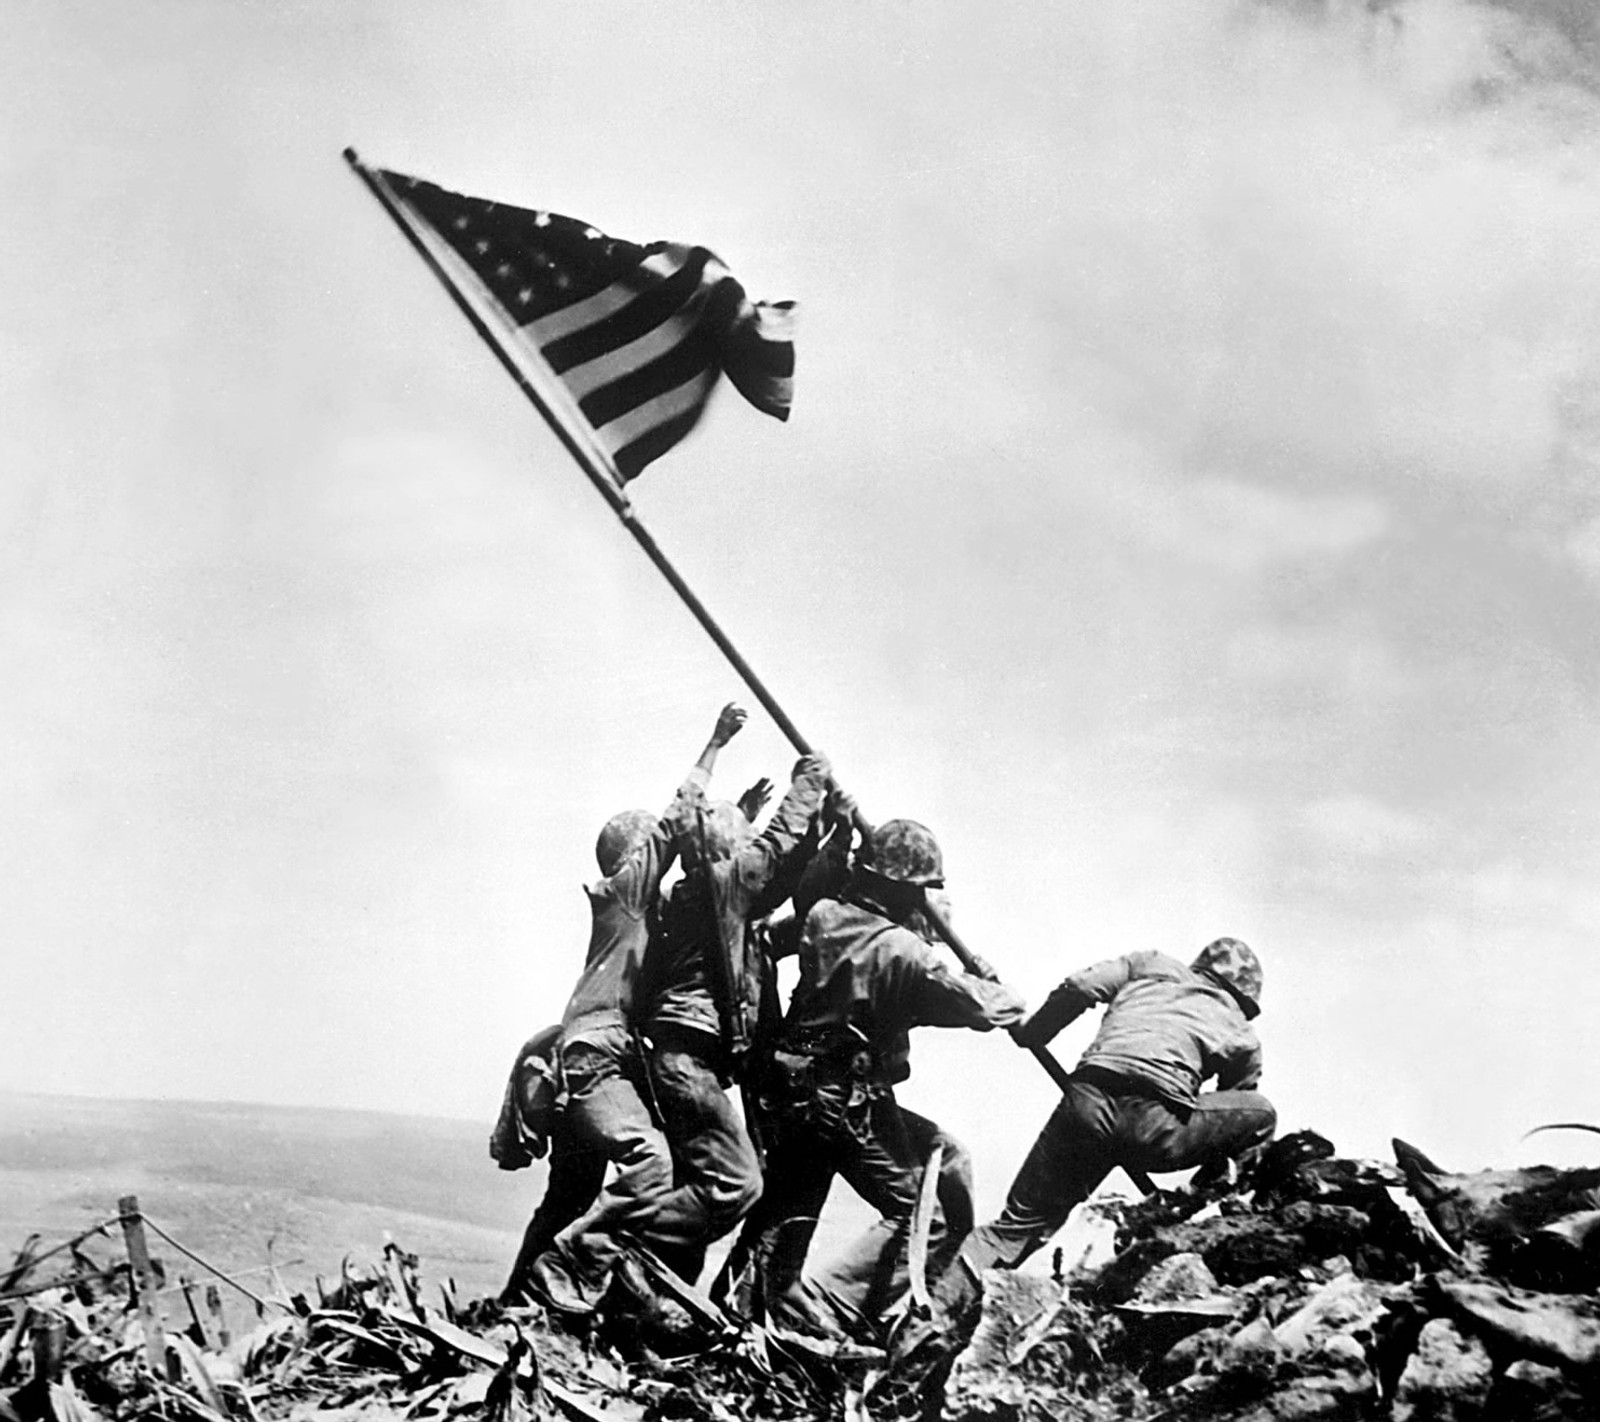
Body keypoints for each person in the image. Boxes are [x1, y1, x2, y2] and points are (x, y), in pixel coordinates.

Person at [727, 818, 1027, 1341]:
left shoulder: (824, 916)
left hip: (791, 1085)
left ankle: (748, 1304)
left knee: (798, 1205)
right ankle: (832, 1311)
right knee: (923, 1215)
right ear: (903, 889)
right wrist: (997, 986)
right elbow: (982, 1009)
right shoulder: (906, 954)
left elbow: (770, 941)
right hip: (843, 1102)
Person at [524, 704, 745, 1316]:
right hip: (598, 1054)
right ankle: (574, 1270)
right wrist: (714, 745)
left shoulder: (641, 914)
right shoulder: (623, 895)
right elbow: (676, 825)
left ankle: (525, 1301)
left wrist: (740, 818)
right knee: (652, 1163)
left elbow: (695, 858)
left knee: (571, 1192)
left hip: (611, 1057)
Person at [934, 937, 1276, 1318]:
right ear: (1245, 998)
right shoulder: (1242, 1033)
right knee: (1261, 1113)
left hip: (1085, 1106)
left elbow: (1079, 987)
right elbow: (1233, 1113)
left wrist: (1035, 1034)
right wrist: (1203, 1188)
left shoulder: (1150, 964)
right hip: (1156, 1128)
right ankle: (1197, 1203)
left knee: (1014, 1228)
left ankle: (930, 1316)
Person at [633, 750, 834, 1283]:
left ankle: (653, 1299)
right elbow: (773, 853)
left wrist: (829, 840)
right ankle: (613, 1243)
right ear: (727, 850)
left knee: (699, 1187)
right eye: (742, 839)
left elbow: (789, 884)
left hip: (690, 1066)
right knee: (736, 1184)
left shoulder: (716, 907)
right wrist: (808, 785)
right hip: (689, 1066)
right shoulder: (722, 884)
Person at [492, 1026, 606, 1304]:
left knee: (568, 1201)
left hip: (580, 1081)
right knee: (569, 1201)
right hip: (582, 1084)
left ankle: (519, 1292)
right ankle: (520, 1293)